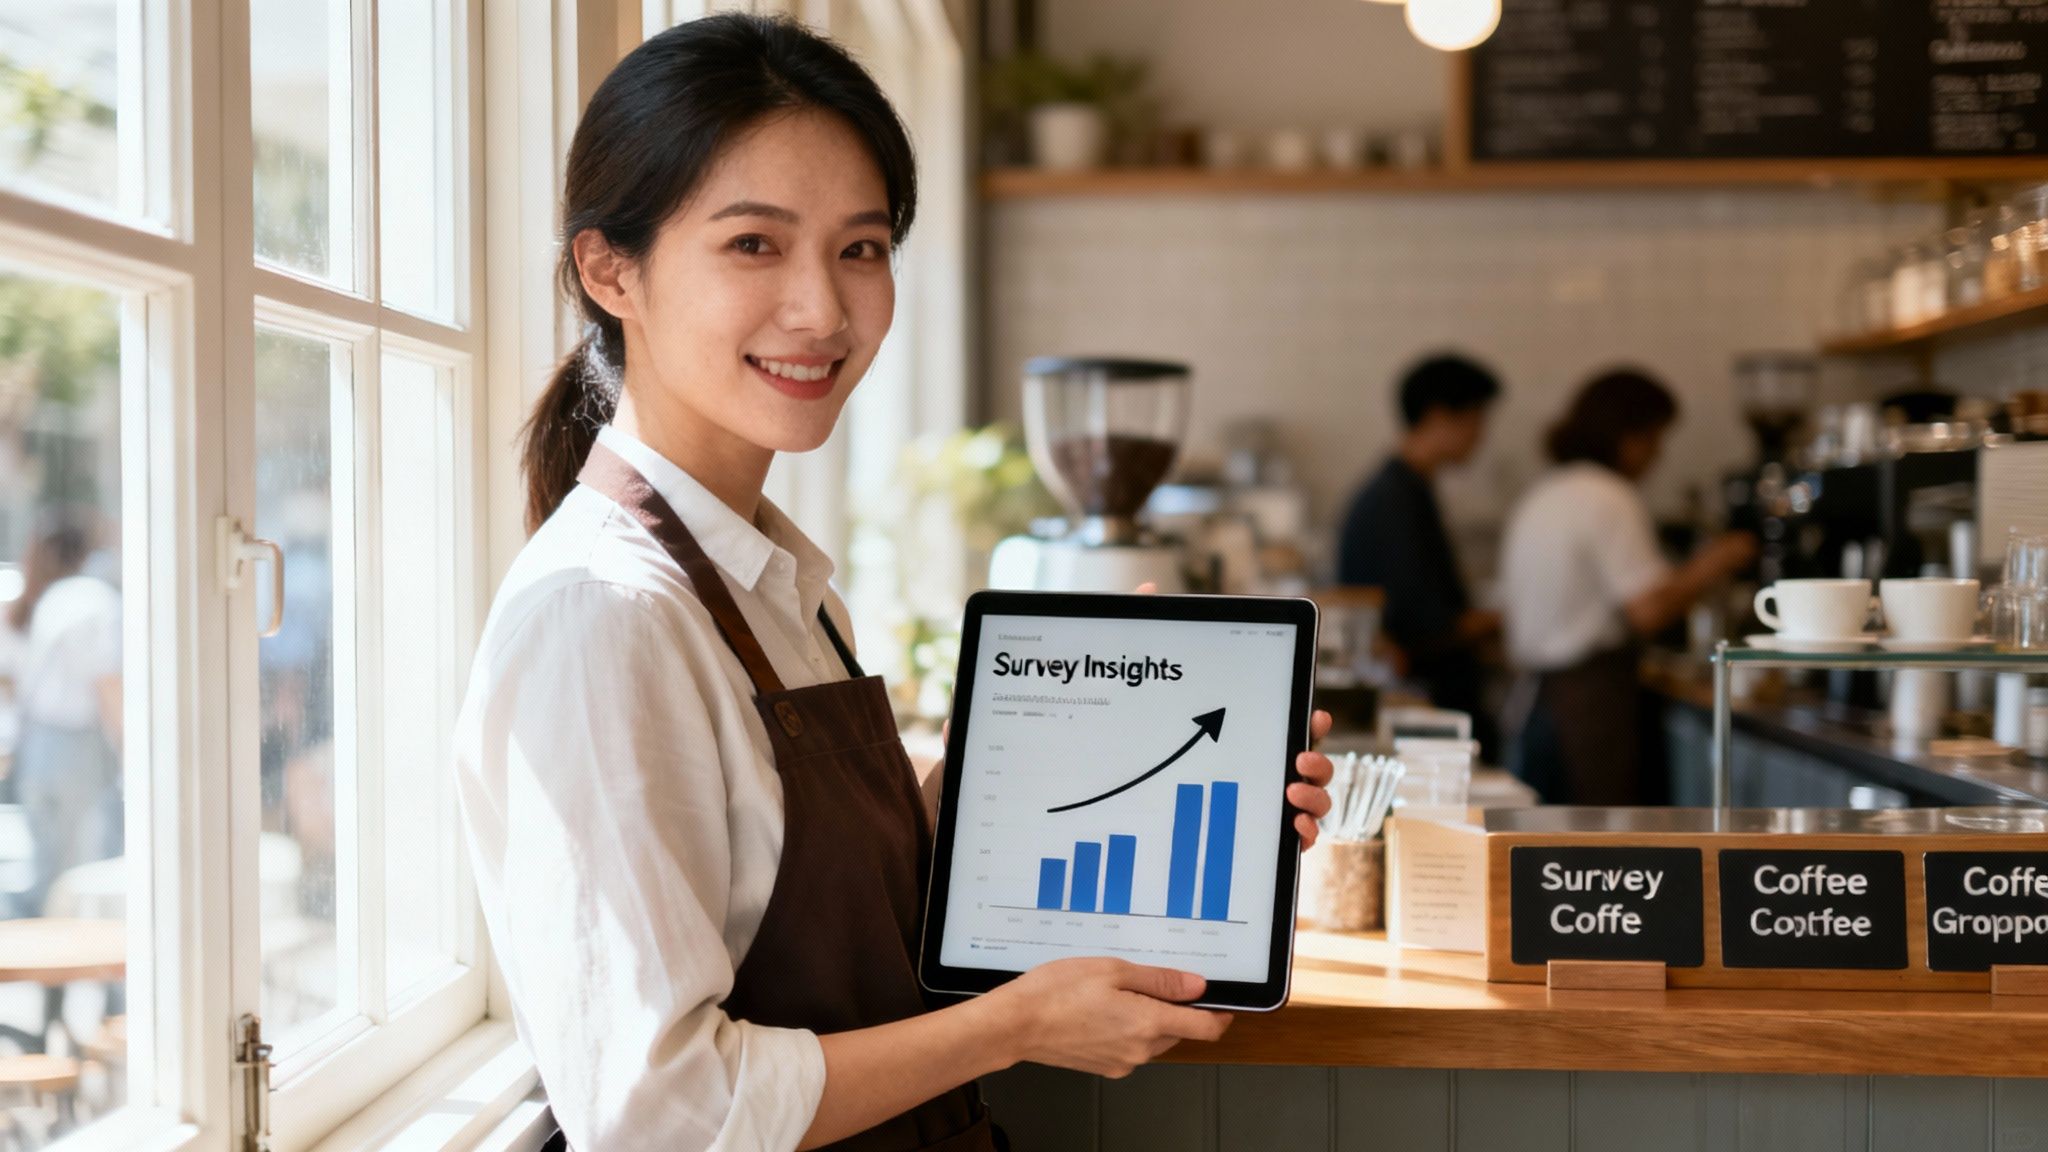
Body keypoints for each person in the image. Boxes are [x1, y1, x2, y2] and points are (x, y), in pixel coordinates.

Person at [449, 16, 1335, 1152]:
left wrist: (1116, 772)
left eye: (860, 249)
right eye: (754, 246)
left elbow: (819, 899)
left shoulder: (775, 581)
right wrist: (1010, 1026)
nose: (823, 309)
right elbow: (659, 1114)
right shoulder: (603, 618)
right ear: (609, 269)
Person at [1499, 370, 1756, 805]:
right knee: (1596, 850)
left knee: (1549, 847)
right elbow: (1649, 610)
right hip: (1589, 703)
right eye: (1655, 438)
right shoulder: (1608, 496)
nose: (1658, 454)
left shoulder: (1546, 493)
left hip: (1537, 703)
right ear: (1628, 435)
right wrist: (1719, 560)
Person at [1336, 354, 1501, 755]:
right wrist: (1505, 620)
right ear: (1439, 415)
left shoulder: (1407, 489)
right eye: (1477, 420)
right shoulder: (1396, 499)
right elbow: (1424, 620)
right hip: (1424, 699)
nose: (1481, 436)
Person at [10, 519, 123, 918]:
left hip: (40, 748)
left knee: (49, 875)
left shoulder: (52, 599)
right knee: (84, 878)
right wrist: (131, 749)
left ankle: (46, 976)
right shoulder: (93, 599)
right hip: (76, 751)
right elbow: (105, 682)